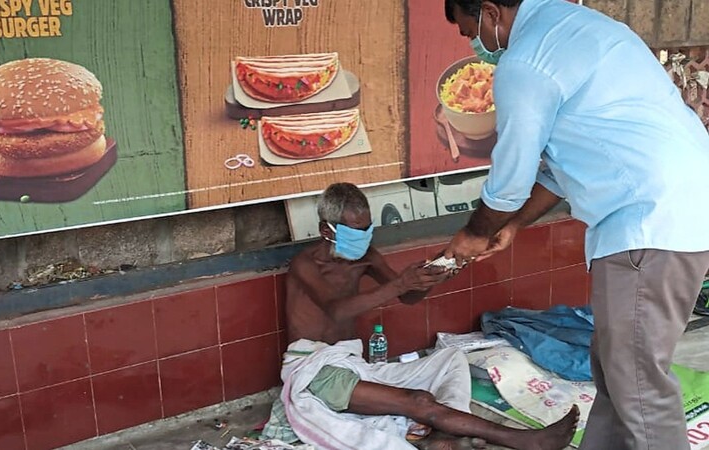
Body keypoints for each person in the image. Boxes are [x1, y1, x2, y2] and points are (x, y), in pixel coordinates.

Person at [441, 1, 709, 449]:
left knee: (638, 383)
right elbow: (554, 169)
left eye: (471, 30)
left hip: (649, 222)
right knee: (614, 366)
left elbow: (510, 179)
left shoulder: (525, 61)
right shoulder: (580, 26)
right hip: (675, 211)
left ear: (490, 13)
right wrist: (517, 224)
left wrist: (475, 233)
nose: (475, 44)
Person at [262, 182, 578, 450]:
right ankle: (525, 441)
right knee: (419, 402)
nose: (363, 237)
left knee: (450, 361)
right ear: (325, 230)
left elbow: (408, 296)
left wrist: (436, 272)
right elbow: (336, 309)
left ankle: (442, 435)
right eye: (354, 231)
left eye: (367, 228)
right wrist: (401, 282)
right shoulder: (306, 265)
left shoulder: (365, 256)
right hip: (314, 369)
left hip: (350, 363)